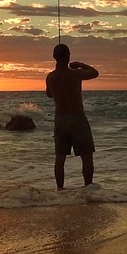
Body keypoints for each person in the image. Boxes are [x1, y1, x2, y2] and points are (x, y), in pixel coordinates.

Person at [45, 42, 99, 189]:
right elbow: (95, 73)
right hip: (77, 118)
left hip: (60, 120)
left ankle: (60, 189)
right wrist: (79, 64)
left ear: (54, 57)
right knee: (86, 156)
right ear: (68, 57)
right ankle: (88, 188)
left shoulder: (50, 77)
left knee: (60, 157)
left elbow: (49, 94)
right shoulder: (75, 74)